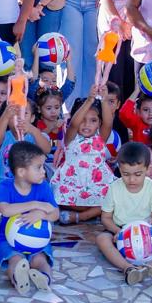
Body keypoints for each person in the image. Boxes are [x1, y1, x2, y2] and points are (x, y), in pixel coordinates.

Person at [94, 141, 152, 284]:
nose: (131, 179)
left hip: (147, 231)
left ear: (148, 169)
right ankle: (128, 268)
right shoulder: (114, 188)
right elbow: (106, 218)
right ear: (119, 169)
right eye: (126, 174)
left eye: (138, 174)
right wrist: (117, 231)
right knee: (102, 239)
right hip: (121, 229)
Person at [0, 141, 60, 294]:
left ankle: (45, 278)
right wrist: (35, 205)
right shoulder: (6, 186)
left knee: (40, 260)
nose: (44, 171)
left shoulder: (43, 187)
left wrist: (41, 214)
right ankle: (18, 279)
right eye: (39, 167)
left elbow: (55, 213)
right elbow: (5, 210)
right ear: (21, 172)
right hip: (8, 239)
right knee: (15, 260)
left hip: (38, 239)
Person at [53, 85, 116, 224]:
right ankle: (79, 213)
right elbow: (74, 125)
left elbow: (108, 123)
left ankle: (79, 217)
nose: (87, 124)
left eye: (93, 120)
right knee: (57, 200)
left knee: (112, 201)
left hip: (96, 185)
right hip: (72, 186)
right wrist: (89, 100)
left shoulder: (100, 138)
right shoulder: (71, 137)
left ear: (99, 123)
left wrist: (104, 99)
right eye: (83, 119)